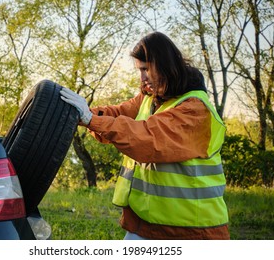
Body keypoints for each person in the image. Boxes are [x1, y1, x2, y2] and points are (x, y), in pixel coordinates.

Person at [60, 31, 230, 240]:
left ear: (164, 65)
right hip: (147, 224)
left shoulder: (194, 110)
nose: (142, 77)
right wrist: (80, 112)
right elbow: (119, 114)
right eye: (139, 70)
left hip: (191, 230)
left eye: (145, 69)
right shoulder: (151, 99)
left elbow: (147, 139)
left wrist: (90, 119)